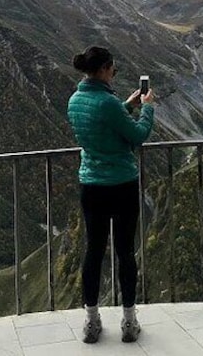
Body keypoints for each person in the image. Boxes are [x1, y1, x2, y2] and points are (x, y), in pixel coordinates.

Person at [66, 46, 155, 344]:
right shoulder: (107, 103)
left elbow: (102, 129)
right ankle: (129, 322)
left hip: (91, 187)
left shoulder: (75, 101)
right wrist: (148, 107)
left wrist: (126, 105)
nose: (114, 74)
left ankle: (91, 321)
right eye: (114, 69)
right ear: (104, 69)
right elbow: (137, 136)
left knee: (93, 252)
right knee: (125, 252)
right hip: (122, 186)